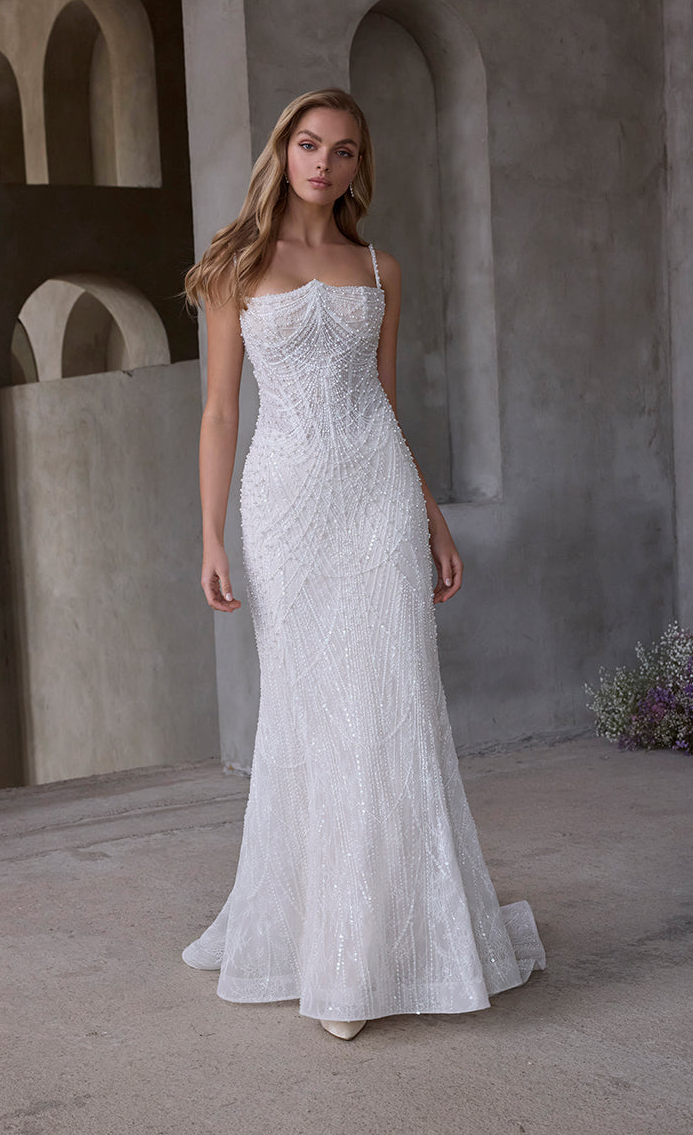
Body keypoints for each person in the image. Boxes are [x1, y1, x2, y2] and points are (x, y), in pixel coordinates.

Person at [182, 87, 545, 1041]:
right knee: (312, 710)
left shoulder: (380, 268)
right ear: (283, 150)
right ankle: (329, 950)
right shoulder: (237, 264)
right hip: (289, 507)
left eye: (343, 152)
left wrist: (431, 518)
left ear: (358, 167)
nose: (323, 164)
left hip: (375, 498)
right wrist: (211, 534)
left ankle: (398, 943)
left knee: (394, 706)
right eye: (309, 145)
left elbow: (386, 405)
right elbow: (221, 413)